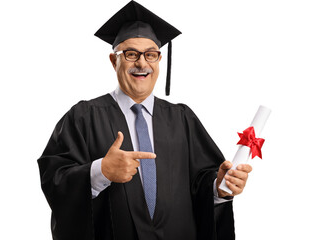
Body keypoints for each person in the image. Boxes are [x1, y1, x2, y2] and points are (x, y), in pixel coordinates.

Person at [38, 1, 252, 240]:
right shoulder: (83, 117)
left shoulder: (182, 118)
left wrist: (218, 187)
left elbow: (201, 182)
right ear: (113, 60)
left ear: (159, 60)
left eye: (151, 54)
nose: (142, 63)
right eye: (131, 54)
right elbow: (54, 180)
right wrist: (101, 171)